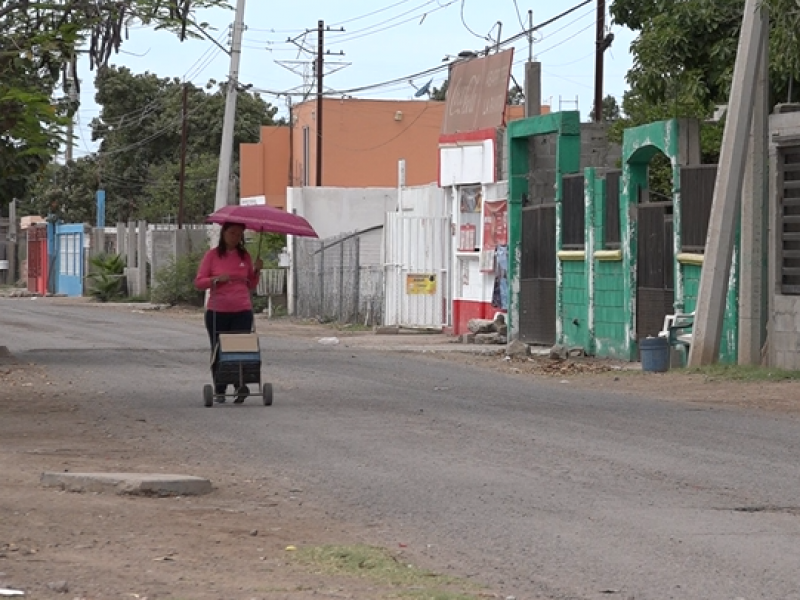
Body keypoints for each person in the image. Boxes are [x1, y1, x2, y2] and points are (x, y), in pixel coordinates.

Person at [194, 222, 263, 401]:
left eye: (239, 234)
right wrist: (216, 279)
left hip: (242, 309)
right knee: (219, 348)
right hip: (218, 310)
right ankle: (220, 388)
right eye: (232, 233)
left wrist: (256, 271)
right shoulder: (212, 256)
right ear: (223, 233)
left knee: (240, 348)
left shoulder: (244, 256)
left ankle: (240, 384)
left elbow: (252, 284)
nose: (235, 237)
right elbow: (199, 282)